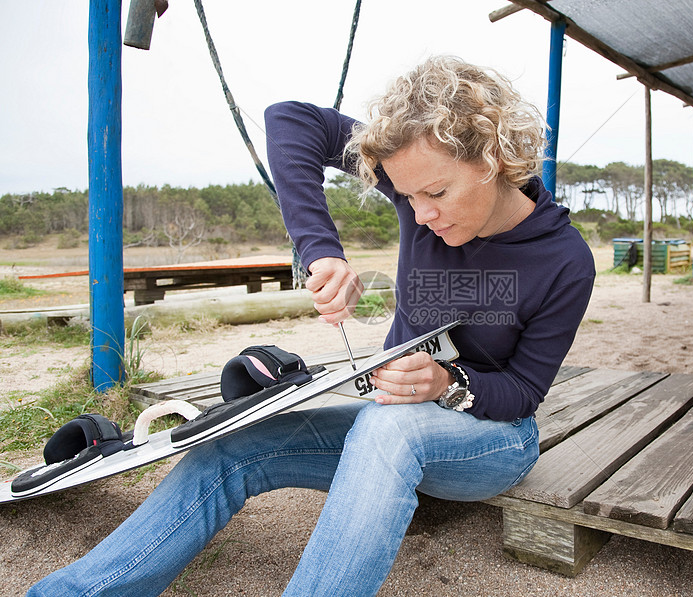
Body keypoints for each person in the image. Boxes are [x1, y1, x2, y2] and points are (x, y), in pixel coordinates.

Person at [29, 55, 595, 596]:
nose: (420, 215)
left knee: (388, 431)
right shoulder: (414, 176)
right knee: (231, 444)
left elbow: (522, 394)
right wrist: (321, 250)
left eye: (437, 193)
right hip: (390, 417)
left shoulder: (565, 260)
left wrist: (449, 384)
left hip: (491, 442)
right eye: (408, 196)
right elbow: (291, 120)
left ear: (492, 158)